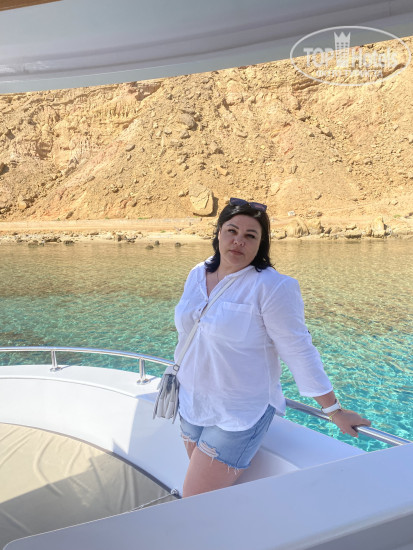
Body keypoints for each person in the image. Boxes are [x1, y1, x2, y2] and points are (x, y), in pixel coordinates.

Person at [174, 198, 371, 498]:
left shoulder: (272, 287)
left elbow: (298, 350)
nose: (238, 241)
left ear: (261, 244)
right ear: (218, 232)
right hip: (191, 402)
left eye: (250, 235)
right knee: (208, 498)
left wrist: (333, 410)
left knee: (193, 498)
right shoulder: (197, 273)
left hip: (239, 412)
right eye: (232, 231)